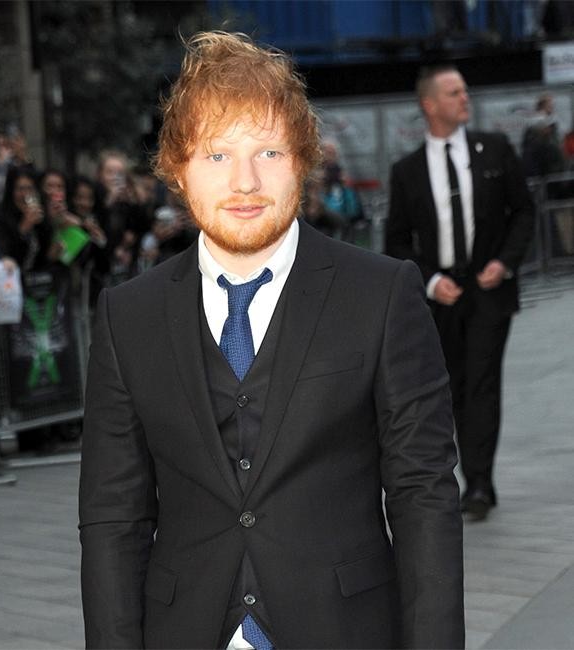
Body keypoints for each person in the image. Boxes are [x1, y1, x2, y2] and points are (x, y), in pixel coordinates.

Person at [80, 32, 464, 650]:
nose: (245, 181)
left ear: (303, 160)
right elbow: (112, 519)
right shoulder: (128, 316)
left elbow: (425, 496)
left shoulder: (382, 293)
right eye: (216, 154)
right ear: (177, 169)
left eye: (269, 151)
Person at [386, 64, 534, 522]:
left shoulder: (496, 149)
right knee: (451, 388)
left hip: (489, 289)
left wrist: (504, 262)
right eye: (454, 93)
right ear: (430, 105)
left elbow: (523, 212)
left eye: (465, 91)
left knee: (482, 384)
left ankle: (480, 485)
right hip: (441, 299)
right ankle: (454, 480)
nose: (465, 98)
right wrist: (431, 280)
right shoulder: (407, 171)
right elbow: (397, 241)